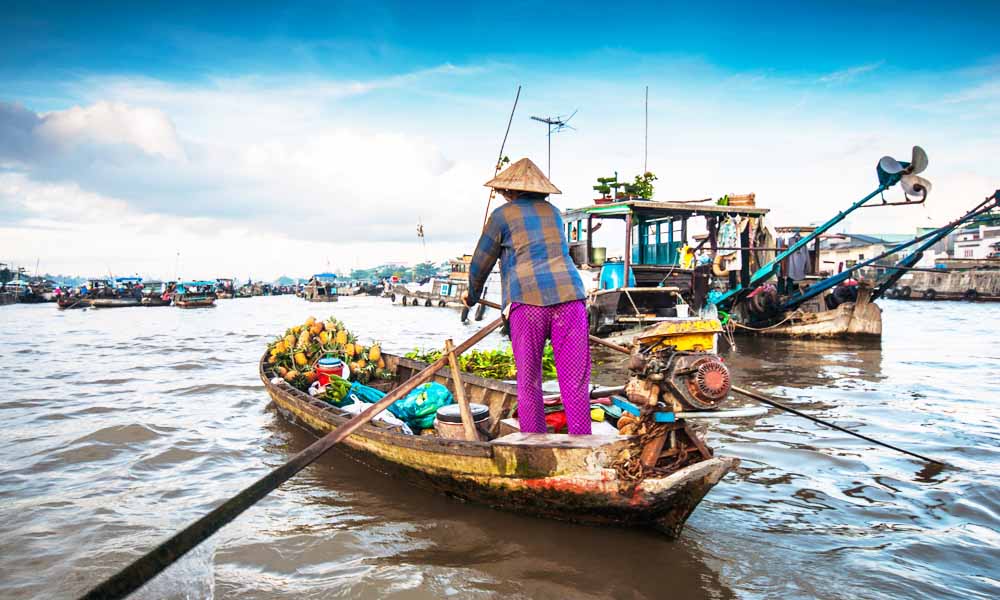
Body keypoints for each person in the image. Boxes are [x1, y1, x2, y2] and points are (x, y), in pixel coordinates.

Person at [462, 158, 591, 435]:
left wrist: (471, 296)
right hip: (571, 300)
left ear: (509, 191)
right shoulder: (554, 213)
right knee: (575, 380)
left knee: (529, 380)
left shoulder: (501, 215)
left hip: (528, 303)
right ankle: (582, 440)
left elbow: (480, 262)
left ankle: (534, 440)